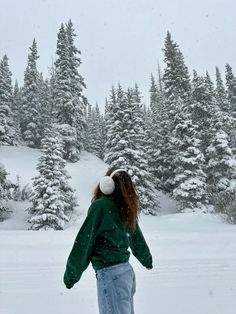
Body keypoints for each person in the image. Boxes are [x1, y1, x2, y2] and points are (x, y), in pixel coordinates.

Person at [63, 167, 153, 314]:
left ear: (107, 184)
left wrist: (71, 276)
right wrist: (146, 260)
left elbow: (84, 242)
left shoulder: (101, 206)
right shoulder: (125, 208)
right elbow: (136, 237)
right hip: (126, 273)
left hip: (111, 275)